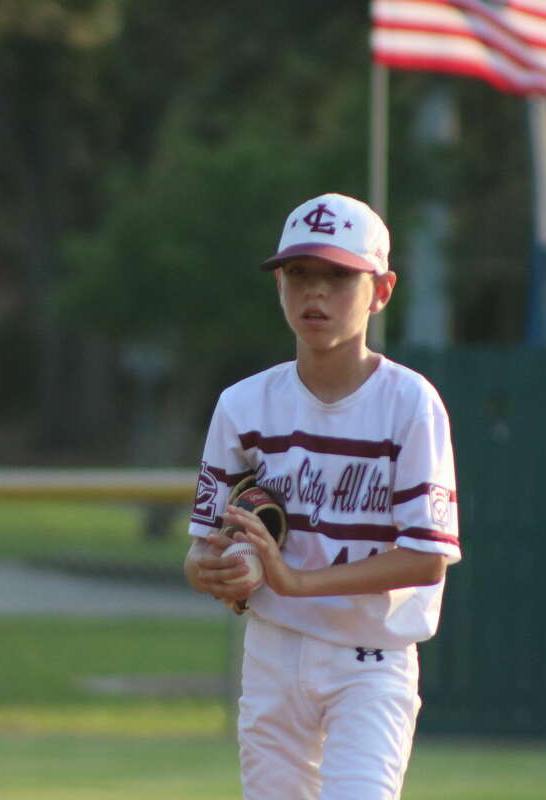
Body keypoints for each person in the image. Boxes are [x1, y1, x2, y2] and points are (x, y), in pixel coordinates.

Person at [183, 192, 462, 799]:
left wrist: (295, 581)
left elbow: (427, 556)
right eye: (299, 275)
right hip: (273, 652)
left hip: (371, 657)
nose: (315, 293)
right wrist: (213, 569)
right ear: (279, 284)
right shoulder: (243, 405)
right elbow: (202, 548)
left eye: (338, 276)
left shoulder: (410, 404)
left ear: (381, 290)